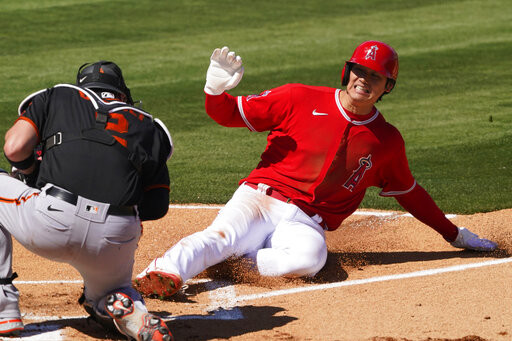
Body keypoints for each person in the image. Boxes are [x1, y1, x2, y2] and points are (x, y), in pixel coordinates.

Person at [133, 41, 498, 299]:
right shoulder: (298, 97)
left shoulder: (386, 141)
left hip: (306, 223)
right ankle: (164, 272)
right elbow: (225, 114)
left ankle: (236, 264)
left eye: (376, 76)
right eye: (359, 70)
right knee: (223, 237)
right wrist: (214, 90)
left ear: (388, 86)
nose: (364, 80)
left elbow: (410, 194)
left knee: (310, 260)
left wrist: (453, 234)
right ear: (347, 70)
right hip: (261, 198)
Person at [0, 61, 173, 340]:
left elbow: (14, 147)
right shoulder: (147, 125)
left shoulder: (57, 96)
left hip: (51, 223)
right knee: (111, 291)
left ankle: (3, 309)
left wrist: (32, 175)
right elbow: (157, 205)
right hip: (113, 238)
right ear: (121, 94)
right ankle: (128, 310)